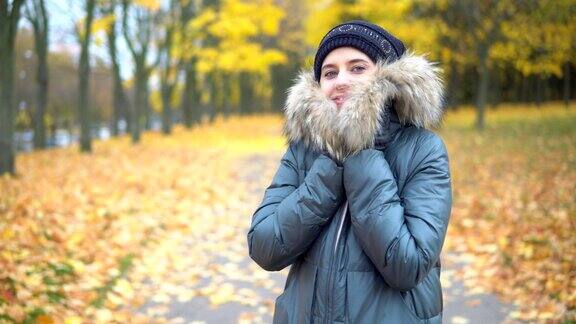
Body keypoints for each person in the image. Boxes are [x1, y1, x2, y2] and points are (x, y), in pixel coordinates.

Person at [247, 20, 452, 323]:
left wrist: (359, 154)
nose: (340, 80)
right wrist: (330, 167)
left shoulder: (424, 149)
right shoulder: (304, 151)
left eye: (357, 68)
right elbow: (265, 246)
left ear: (390, 76)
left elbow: (407, 264)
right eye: (329, 73)